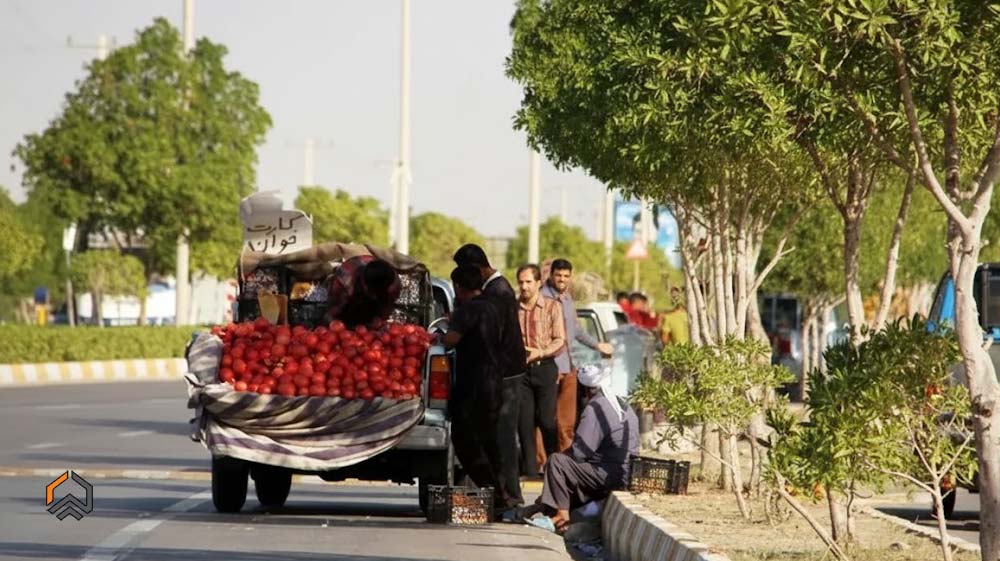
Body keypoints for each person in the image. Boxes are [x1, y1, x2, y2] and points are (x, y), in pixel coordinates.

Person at [523, 363, 639, 534]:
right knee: (564, 469)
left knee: (556, 462)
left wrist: (559, 465)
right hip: (625, 472)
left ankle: (561, 517)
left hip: (608, 473)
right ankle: (545, 509)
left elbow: (580, 453)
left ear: (585, 390)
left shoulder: (595, 408)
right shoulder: (623, 405)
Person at [453, 244, 526, 512]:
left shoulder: (497, 293)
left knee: (502, 439)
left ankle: (509, 498)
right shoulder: (493, 292)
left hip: (504, 375)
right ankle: (498, 495)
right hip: (499, 374)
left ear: (478, 268)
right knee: (492, 438)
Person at [439, 266, 505, 504]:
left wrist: (443, 331)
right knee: (488, 441)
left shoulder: (467, 310)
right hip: (493, 382)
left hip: (472, 385)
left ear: (458, 286)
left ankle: (493, 493)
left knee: (464, 439)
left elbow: (449, 341)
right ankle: (500, 495)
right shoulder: (492, 308)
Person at [541, 259, 613, 453]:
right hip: (548, 366)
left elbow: (577, 330)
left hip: (569, 366)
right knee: (545, 420)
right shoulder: (542, 298)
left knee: (567, 421)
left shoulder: (567, 298)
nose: (562, 280)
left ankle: (565, 460)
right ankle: (540, 464)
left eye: (566, 276)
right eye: (558, 275)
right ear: (551, 275)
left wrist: (597, 345)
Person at [516, 264, 566, 477]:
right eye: (521, 282)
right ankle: (530, 471)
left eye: (528, 282)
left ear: (538, 283)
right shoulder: (513, 307)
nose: (524, 287)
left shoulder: (552, 307)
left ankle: (554, 468)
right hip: (522, 371)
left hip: (545, 368)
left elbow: (560, 339)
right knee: (525, 422)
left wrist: (540, 352)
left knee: (547, 420)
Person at [327, 256, 401, 328]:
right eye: (372, 293)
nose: (374, 296)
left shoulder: (393, 284)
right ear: (364, 283)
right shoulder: (345, 278)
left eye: (377, 294)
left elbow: (387, 307)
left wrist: (380, 321)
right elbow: (334, 308)